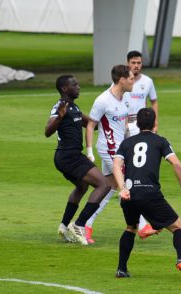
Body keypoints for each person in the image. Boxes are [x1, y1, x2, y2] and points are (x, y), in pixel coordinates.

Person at [112, 107, 181, 278]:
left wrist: (122, 188)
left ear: (137, 124)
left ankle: (121, 269)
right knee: (178, 227)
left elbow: (116, 165)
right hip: (150, 194)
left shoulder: (126, 143)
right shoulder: (160, 141)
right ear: (154, 123)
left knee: (131, 227)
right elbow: (176, 164)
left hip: (129, 194)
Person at [45, 75, 110, 246]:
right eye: (74, 84)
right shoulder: (60, 107)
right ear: (64, 89)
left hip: (67, 156)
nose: (79, 86)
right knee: (104, 185)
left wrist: (109, 116)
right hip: (69, 156)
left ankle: (64, 225)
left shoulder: (74, 108)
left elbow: (92, 125)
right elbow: (47, 131)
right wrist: (59, 117)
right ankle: (79, 224)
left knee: (82, 186)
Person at [84, 65, 133, 244]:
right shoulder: (103, 100)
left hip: (120, 148)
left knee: (109, 187)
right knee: (128, 181)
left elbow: (125, 121)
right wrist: (89, 152)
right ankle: (142, 225)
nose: (133, 81)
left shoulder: (126, 98)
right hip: (108, 148)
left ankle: (85, 224)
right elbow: (91, 125)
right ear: (121, 79)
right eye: (131, 78)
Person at [123, 50, 160, 239]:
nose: (136, 66)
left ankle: (144, 225)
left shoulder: (148, 82)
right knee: (124, 180)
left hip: (142, 126)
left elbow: (154, 101)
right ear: (128, 63)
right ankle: (85, 223)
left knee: (135, 176)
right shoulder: (122, 81)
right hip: (125, 126)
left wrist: (155, 123)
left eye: (139, 63)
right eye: (133, 62)